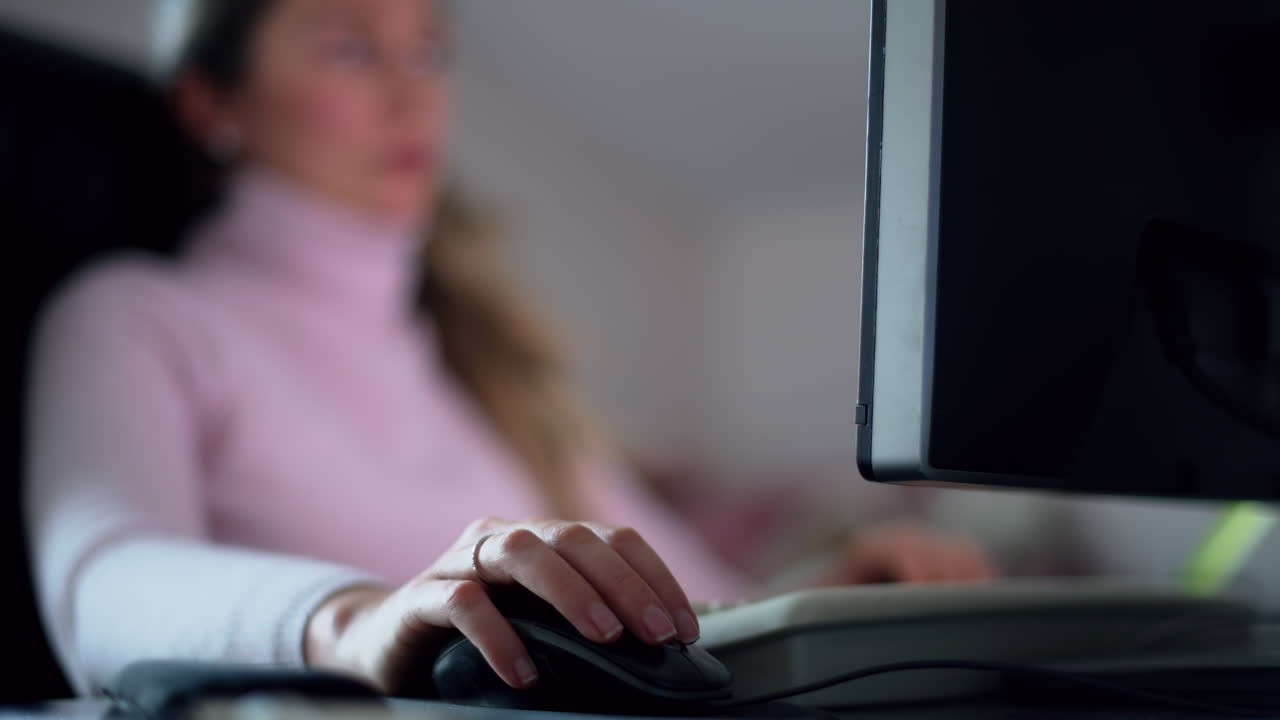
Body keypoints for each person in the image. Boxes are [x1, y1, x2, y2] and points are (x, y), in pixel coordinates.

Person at [24, 0, 994, 698]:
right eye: (352, 48)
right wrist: (358, 619)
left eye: (430, 51)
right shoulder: (140, 315)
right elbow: (104, 579)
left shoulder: (489, 373)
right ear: (208, 100)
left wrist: (832, 605)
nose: (412, 97)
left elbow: (699, 606)